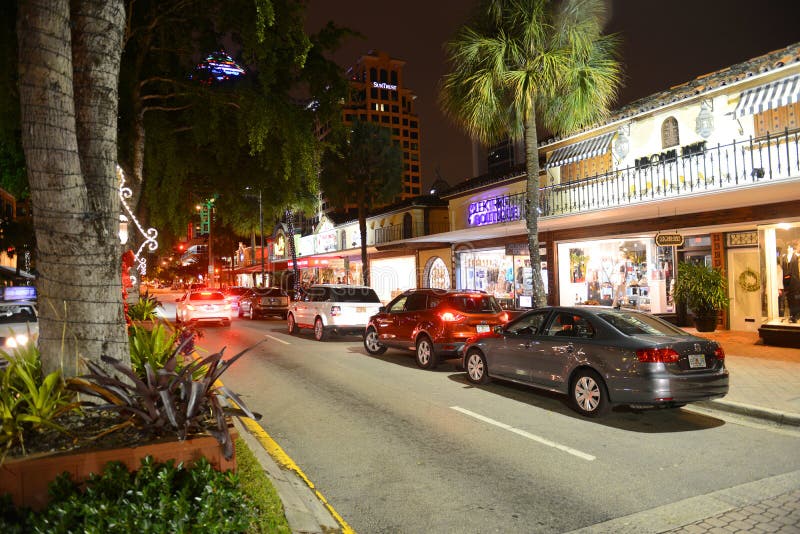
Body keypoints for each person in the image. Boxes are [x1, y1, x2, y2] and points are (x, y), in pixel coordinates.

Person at [781, 241, 800, 323]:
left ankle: (795, 316)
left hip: (795, 282)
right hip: (786, 281)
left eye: (790, 247)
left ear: (793, 249)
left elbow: (796, 270)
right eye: (787, 247)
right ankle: (791, 315)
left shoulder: (796, 257)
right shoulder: (784, 257)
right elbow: (784, 268)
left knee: (795, 300)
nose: (788, 249)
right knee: (789, 299)